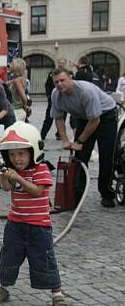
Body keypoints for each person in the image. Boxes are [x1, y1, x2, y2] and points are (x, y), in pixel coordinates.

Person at [0, 122, 70, 306]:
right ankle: (4, 288)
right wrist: (5, 176)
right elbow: (6, 188)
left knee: (45, 259)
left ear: (33, 151)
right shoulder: (13, 170)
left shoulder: (41, 170)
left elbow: (37, 192)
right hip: (15, 224)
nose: (17, 159)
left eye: (21, 154)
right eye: (12, 155)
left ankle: (57, 295)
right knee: (8, 257)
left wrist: (19, 178)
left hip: (38, 227)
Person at [50, 68, 118, 207]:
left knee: (106, 156)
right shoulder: (56, 95)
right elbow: (58, 118)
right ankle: (77, 194)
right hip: (84, 117)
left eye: (62, 80)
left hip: (105, 116)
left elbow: (95, 120)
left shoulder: (86, 92)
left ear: (70, 77)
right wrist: (64, 140)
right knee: (80, 157)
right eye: (56, 82)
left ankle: (107, 193)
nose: (59, 84)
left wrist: (79, 140)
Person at [41, 58, 67, 141]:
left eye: (62, 63)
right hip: (53, 98)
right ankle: (42, 135)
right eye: (59, 63)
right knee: (49, 117)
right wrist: (48, 95)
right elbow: (47, 85)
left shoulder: (68, 73)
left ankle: (59, 134)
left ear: (65, 64)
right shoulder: (52, 74)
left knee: (63, 117)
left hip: (64, 99)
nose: (60, 64)